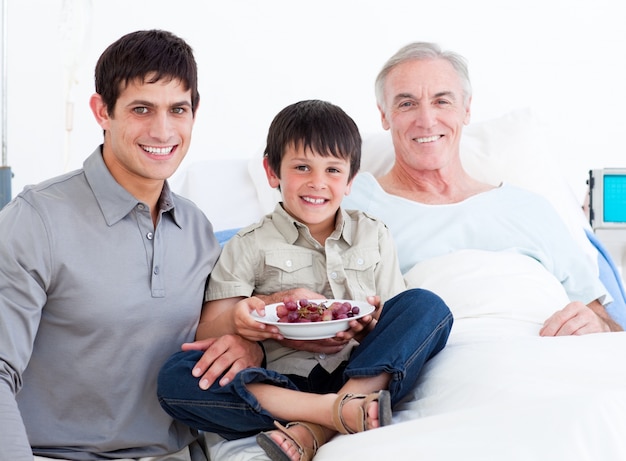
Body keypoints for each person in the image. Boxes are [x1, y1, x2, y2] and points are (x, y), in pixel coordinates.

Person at [0, 29, 261, 461]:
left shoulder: (196, 227)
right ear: (102, 111)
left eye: (178, 109)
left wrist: (248, 346)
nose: (162, 130)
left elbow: (212, 334)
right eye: (142, 109)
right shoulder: (35, 219)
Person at [157, 99, 453, 461]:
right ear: (272, 172)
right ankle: (337, 412)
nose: (317, 183)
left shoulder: (373, 234)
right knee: (176, 378)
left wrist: (369, 325)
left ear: (350, 181)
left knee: (427, 306)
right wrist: (247, 318)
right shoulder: (248, 244)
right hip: (280, 382)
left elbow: (393, 315)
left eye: (332, 170)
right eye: (301, 167)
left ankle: (321, 423)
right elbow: (207, 330)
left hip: (362, 369)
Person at [342, 41, 622, 335]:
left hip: (552, 353)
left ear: (466, 109)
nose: (426, 120)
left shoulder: (529, 208)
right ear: (385, 115)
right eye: (407, 103)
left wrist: (598, 326)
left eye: (442, 101)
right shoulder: (350, 203)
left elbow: (606, 323)